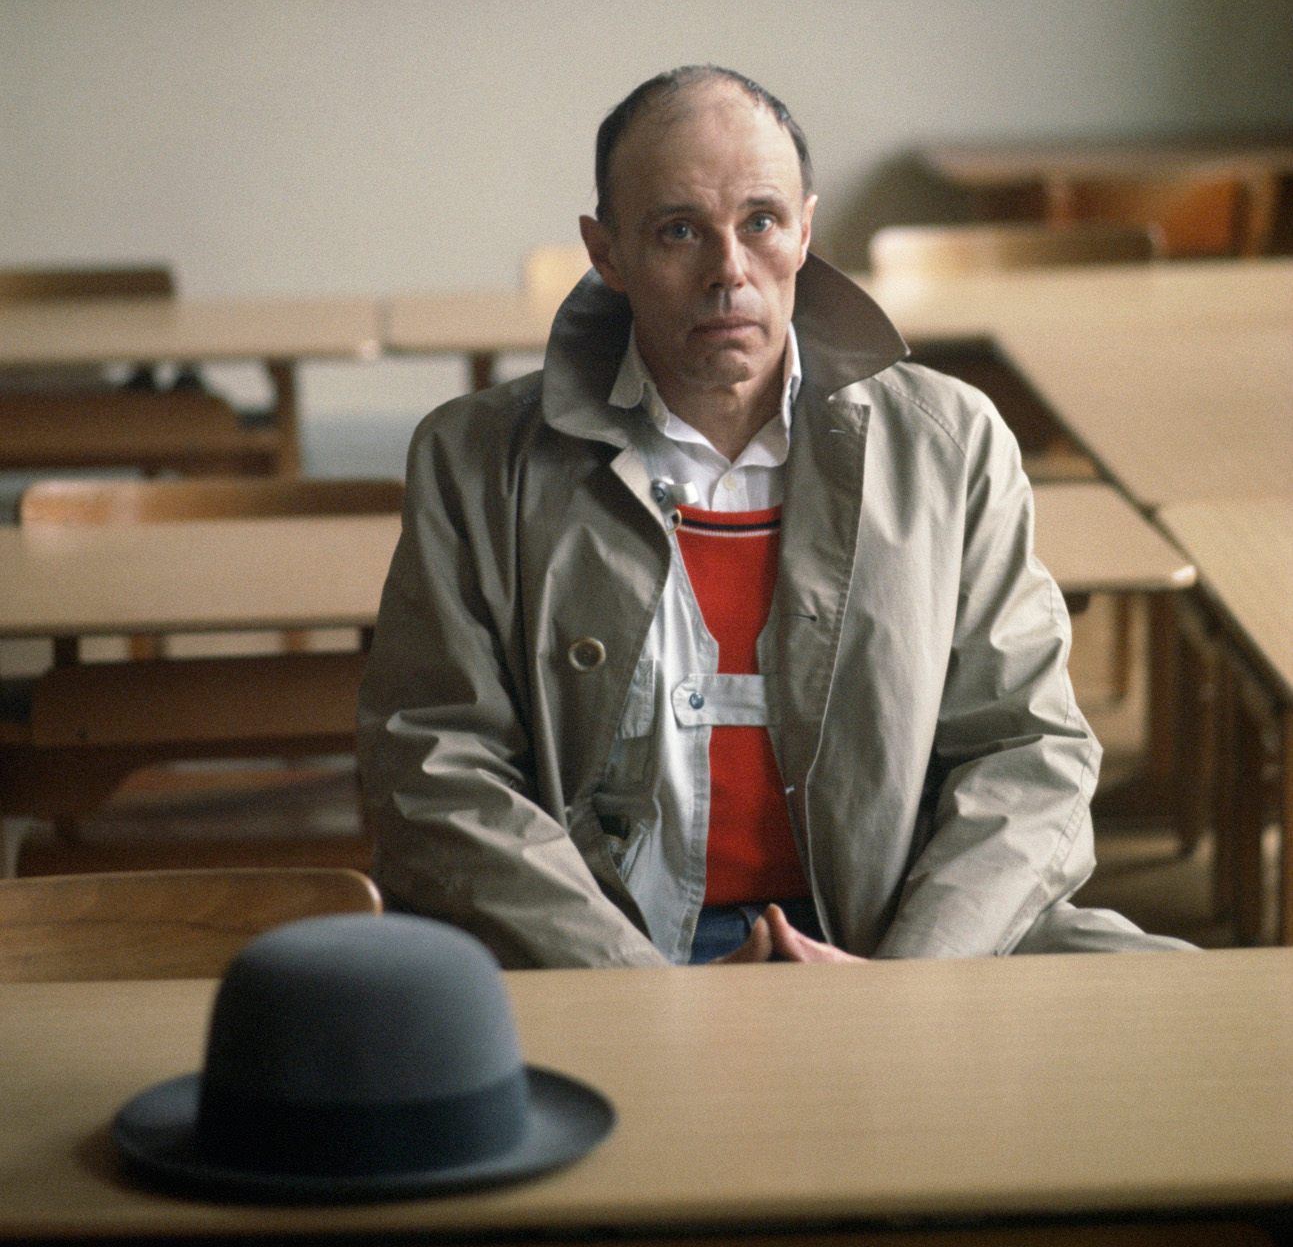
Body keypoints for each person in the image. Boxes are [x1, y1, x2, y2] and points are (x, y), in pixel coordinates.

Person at [358, 66, 1188, 966]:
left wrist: (903, 983)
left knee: (1188, 1010)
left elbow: (1029, 751)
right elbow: (433, 770)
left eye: (759, 222)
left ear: (803, 232)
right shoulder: (474, 460)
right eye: (679, 231)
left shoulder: (946, 442)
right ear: (606, 254)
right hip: (595, 949)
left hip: (893, 933)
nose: (728, 272)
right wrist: (638, 989)